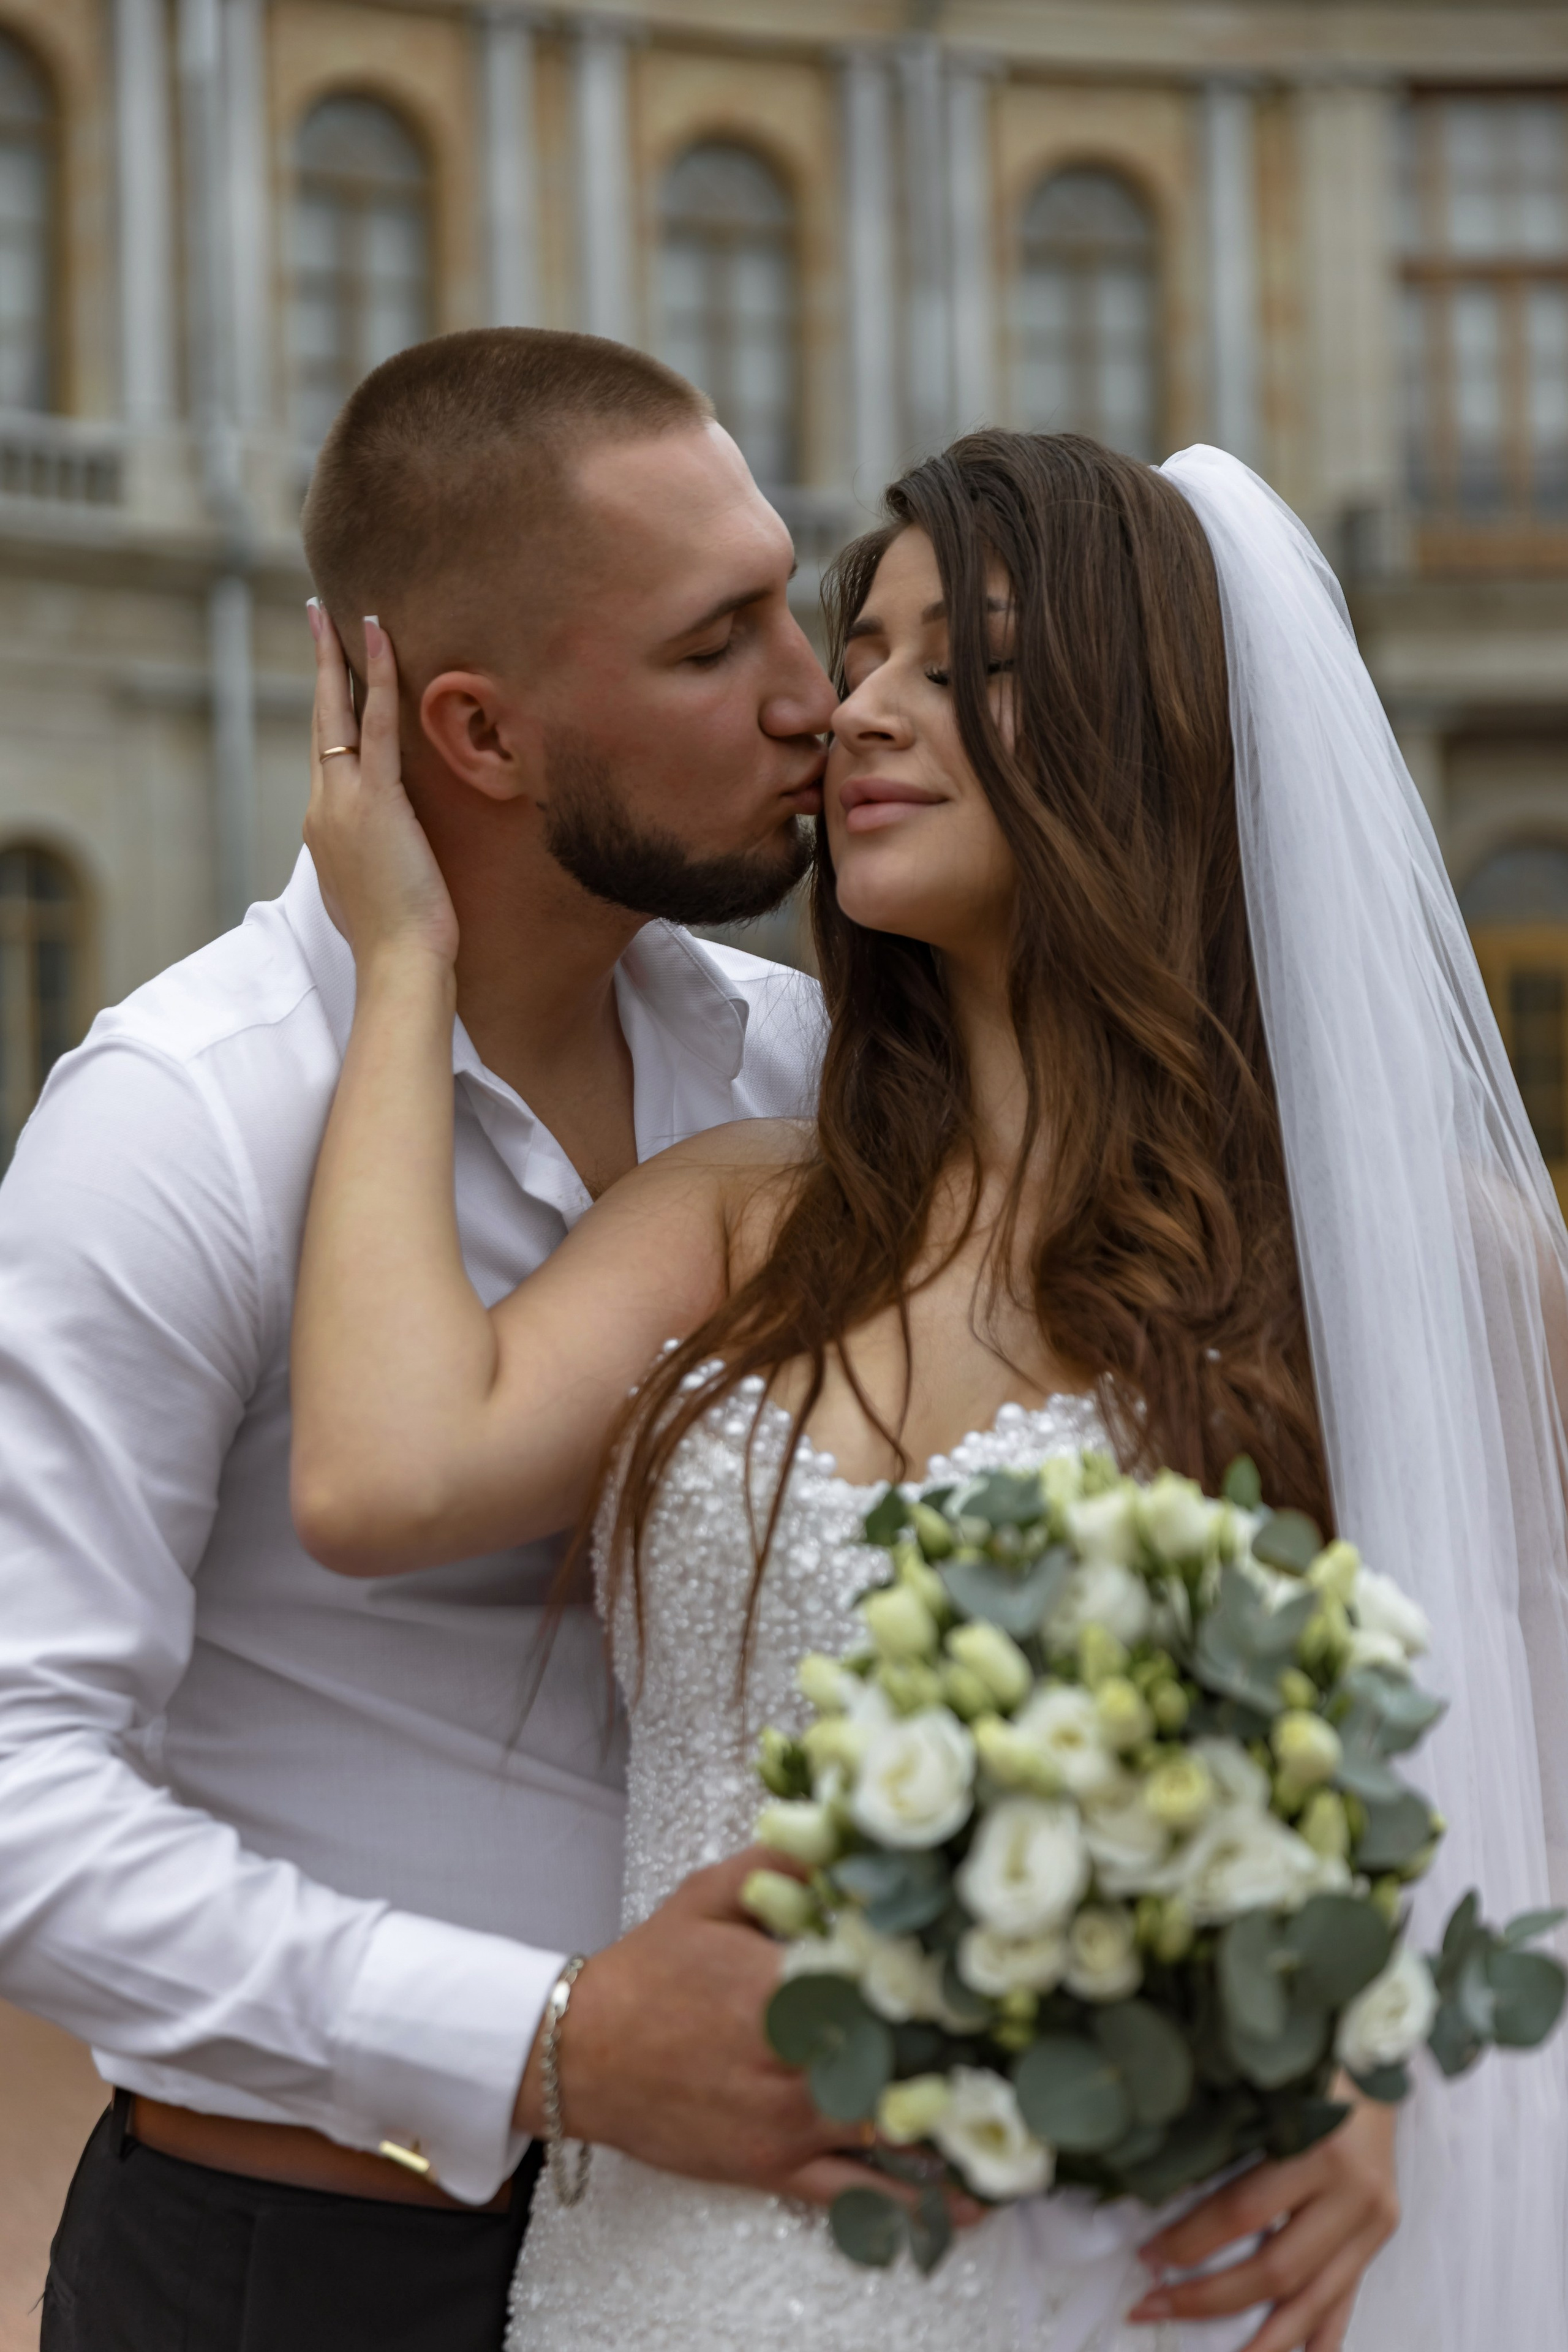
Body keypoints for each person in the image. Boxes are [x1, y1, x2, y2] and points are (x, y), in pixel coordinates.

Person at [292, 427, 1568, 2350]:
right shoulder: (738, 1211)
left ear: (1152, 730)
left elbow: (1507, 1765)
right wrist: (405, 957)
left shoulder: (1417, 1257)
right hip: (679, 2266)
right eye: (861, 654)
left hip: (1147, 2268)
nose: (858, 713)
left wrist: (1385, 2060)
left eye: (955, 664)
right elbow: (382, 1477)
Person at [0, 328, 903, 2352]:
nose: (812, 700)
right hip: (291, 2279)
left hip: (742, 2279)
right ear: (482, 737)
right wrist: (545, 2040)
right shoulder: (185, 1117)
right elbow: (14, 1797)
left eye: (796, 603)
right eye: (713, 645)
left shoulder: (802, 1069)